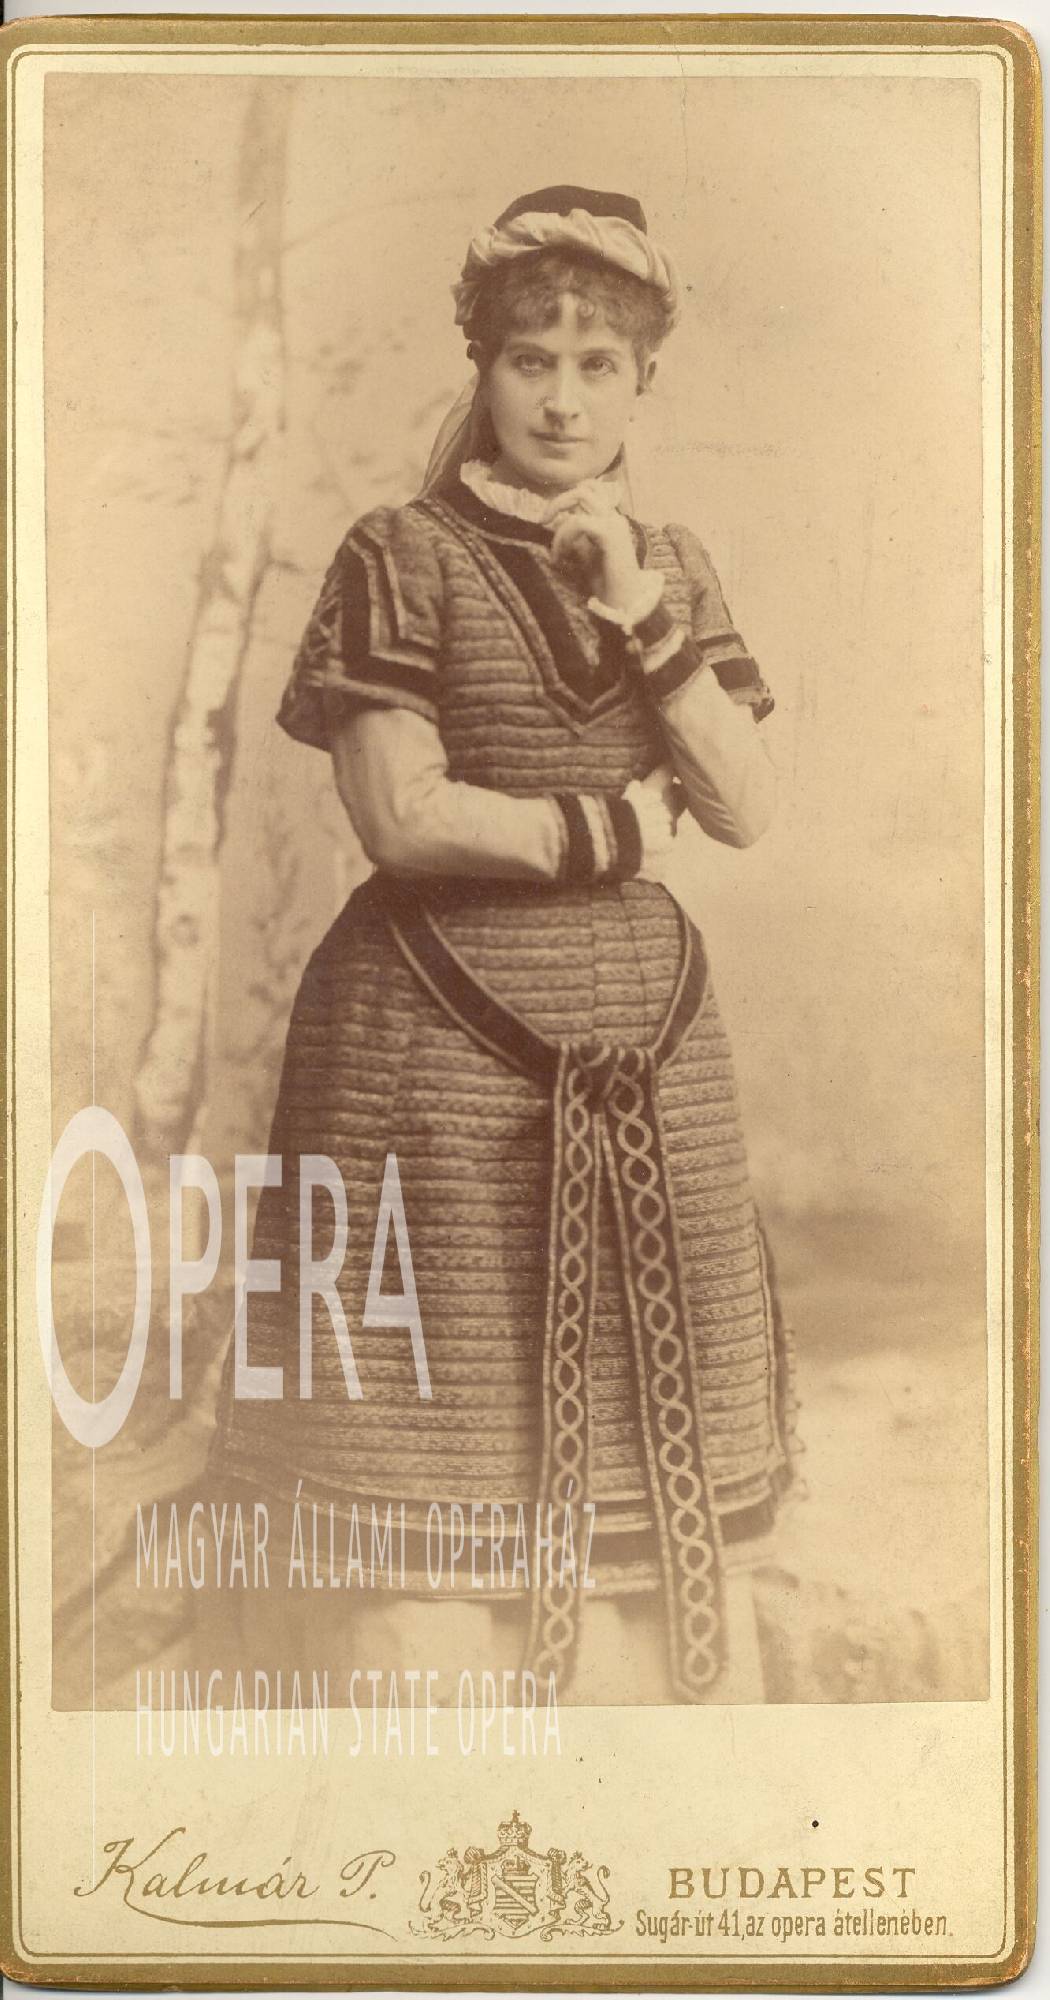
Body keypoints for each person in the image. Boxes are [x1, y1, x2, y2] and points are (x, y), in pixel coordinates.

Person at [210, 185, 800, 1704]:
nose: (562, 399)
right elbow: (400, 816)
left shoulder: (671, 561)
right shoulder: (397, 552)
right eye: (531, 359)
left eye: (598, 366)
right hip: (429, 1036)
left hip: (646, 1039)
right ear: (481, 363)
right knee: (429, 1445)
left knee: (652, 1446)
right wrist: (611, 831)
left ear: (641, 381)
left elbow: (741, 805)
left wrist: (644, 616)